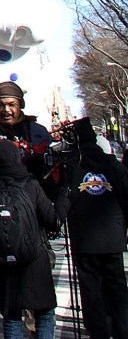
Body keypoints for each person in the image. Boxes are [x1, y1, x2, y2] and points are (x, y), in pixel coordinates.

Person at [0, 139, 58, 339]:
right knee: (44, 312)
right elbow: (52, 220)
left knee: (11, 315)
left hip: (1, 259)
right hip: (34, 257)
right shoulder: (30, 184)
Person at [56, 116, 128, 339]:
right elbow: (126, 195)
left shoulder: (71, 165)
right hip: (112, 237)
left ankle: (98, 333)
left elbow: (63, 198)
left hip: (84, 238)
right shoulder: (112, 164)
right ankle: (123, 331)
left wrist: (56, 218)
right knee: (117, 288)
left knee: (91, 291)